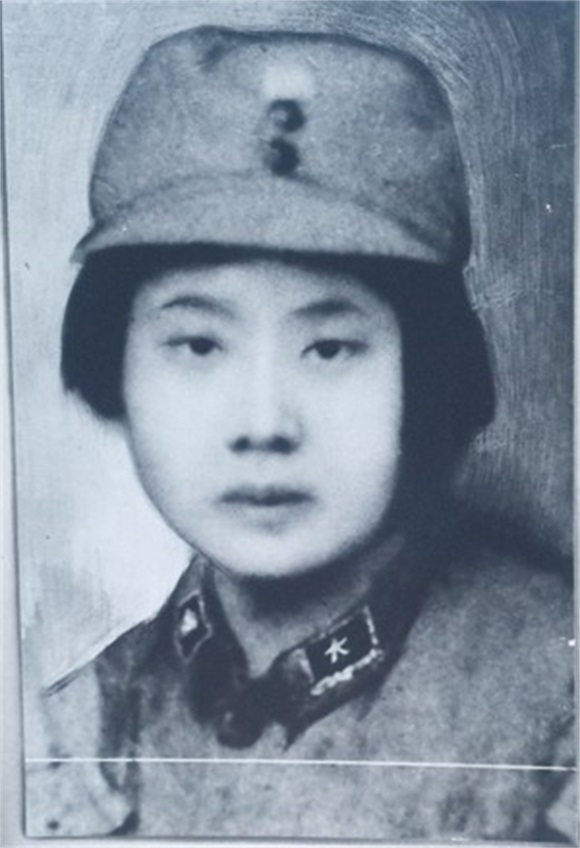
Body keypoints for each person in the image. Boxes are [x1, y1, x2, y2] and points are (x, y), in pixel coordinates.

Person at [25, 25, 576, 842]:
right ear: (115, 361)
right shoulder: (70, 741)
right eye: (199, 345)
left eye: (329, 348)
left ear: (427, 371)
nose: (264, 425)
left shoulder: (559, 704)